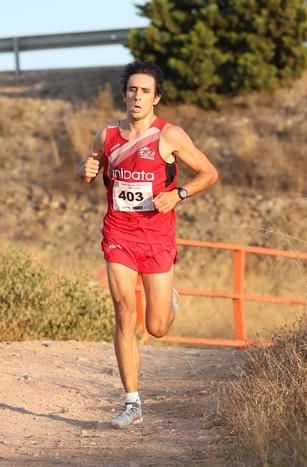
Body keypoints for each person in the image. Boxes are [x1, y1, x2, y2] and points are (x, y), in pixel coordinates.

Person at [77, 61, 218, 429]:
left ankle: (169, 298)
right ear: (124, 94)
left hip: (157, 237)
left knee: (156, 327)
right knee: (124, 311)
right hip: (119, 233)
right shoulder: (105, 136)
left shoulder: (169, 136)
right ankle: (131, 403)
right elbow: (90, 167)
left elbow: (209, 173)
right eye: (132, 90)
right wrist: (85, 171)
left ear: (156, 98)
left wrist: (179, 194)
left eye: (145, 91)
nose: (137, 96)